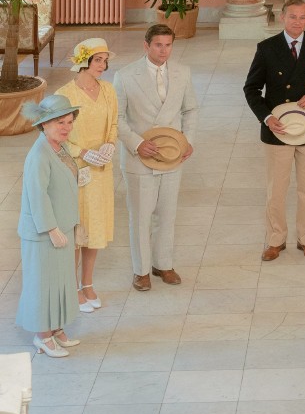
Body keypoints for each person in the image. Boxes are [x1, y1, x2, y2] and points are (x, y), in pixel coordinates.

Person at [244, 0, 305, 261]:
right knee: (276, 189)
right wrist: (266, 118)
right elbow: (251, 88)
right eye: (293, 16)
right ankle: (276, 240)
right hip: (278, 130)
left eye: (303, 17)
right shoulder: (267, 48)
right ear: (282, 17)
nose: (298, 22)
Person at [114, 24, 198, 291]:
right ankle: (141, 271)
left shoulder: (183, 72)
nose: (164, 51)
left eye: (168, 45)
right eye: (158, 45)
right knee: (141, 217)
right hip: (139, 158)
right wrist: (137, 144)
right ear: (146, 45)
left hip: (172, 156)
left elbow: (190, 109)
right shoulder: (125, 76)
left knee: (167, 214)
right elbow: (117, 118)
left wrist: (187, 141)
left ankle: (163, 264)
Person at [17, 95, 84, 358]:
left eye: (69, 122)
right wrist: (51, 229)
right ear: (44, 124)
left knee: (60, 282)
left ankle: (56, 328)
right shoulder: (39, 154)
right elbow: (38, 196)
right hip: (45, 233)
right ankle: (42, 336)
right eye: (59, 122)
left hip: (62, 227)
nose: (66, 127)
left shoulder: (59, 148)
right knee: (43, 283)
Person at [56, 38, 118, 313]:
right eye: (98, 60)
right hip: (75, 171)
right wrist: (82, 153)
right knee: (76, 230)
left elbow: (113, 123)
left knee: (95, 229)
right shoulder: (65, 95)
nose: (103, 66)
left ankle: (88, 284)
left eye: (105, 60)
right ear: (84, 61)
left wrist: (110, 145)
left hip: (101, 170)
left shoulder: (108, 90)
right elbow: (56, 135)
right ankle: (71, 288)